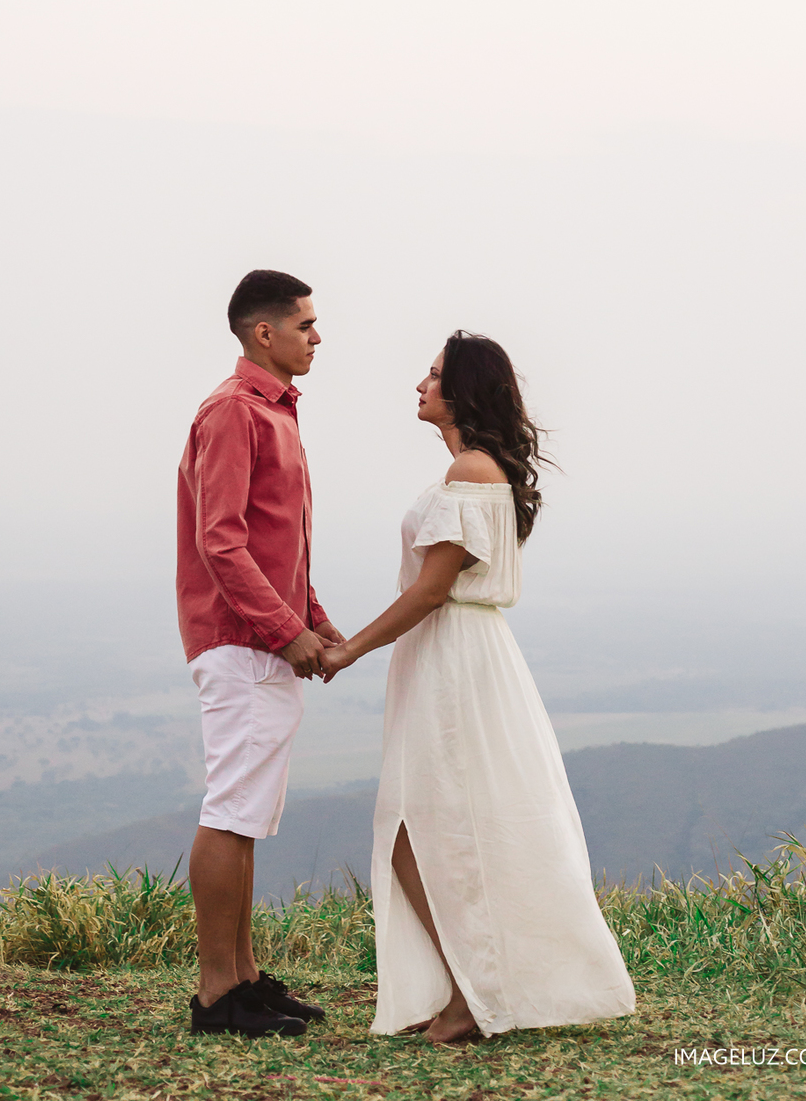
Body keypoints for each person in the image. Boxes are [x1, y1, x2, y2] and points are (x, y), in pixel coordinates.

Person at [319, 330, 636, 1044]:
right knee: (425, 828)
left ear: (462, 391)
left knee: (432, 829)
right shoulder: (474, 470)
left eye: (431, 375)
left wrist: (350, 650)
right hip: (452, 655)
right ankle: (469, 986)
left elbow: (433, 590)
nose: (419, 386)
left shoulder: (471, 471)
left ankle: (473, 995)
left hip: (454, 658)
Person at [176, 270, 345, 1039]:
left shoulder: (276, 413)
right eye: (306, 324)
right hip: (240, 642)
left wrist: (313, 618)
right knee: (230, 812)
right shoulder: (232, 413)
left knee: (248, 817)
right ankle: (217, 995)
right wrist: (286, 631)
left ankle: (244, 977)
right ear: (262, 333)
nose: (317, 336)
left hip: (263, 638)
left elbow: (283, 544)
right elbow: (222, 540)